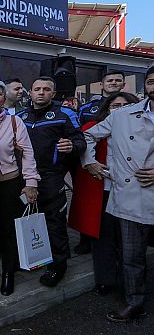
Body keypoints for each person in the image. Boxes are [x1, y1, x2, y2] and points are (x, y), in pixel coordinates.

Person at [81, 67, 154, 322]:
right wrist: (90, 162)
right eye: (151, 81)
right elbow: (88, 136)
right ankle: (134, 302)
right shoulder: (122, 115)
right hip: (131, 195)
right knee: (131, 256)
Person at [16, 77, 86, 287]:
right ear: (31, 92)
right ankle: (32, 257)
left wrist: (72, 145)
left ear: (53, 94)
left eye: (46, 89)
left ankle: (58, 266)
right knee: (27, 220)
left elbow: (81, 141)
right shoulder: (21, 116)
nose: (41, 92)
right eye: (37, 89)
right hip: (24, 177)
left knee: (53, 222)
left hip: (51, 177)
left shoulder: (65, 114)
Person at [69, 92, 139, 298]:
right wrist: (89, 161)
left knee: (130, 243)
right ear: (107, 109)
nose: (119, 109)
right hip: (102, 193)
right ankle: (105, 280)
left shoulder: (143, 129)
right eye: (114, 106)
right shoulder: (92, 129)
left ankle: (131, 283)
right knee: (103, 240)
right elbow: (82, 145)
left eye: (125, 105)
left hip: (132, 193)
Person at [0, 80, 40, 296]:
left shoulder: (15, 122)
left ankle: (8, 273)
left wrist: (31, 183)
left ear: (4, 99)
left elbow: (28, 153)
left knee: (8, 230)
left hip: (9, 183)